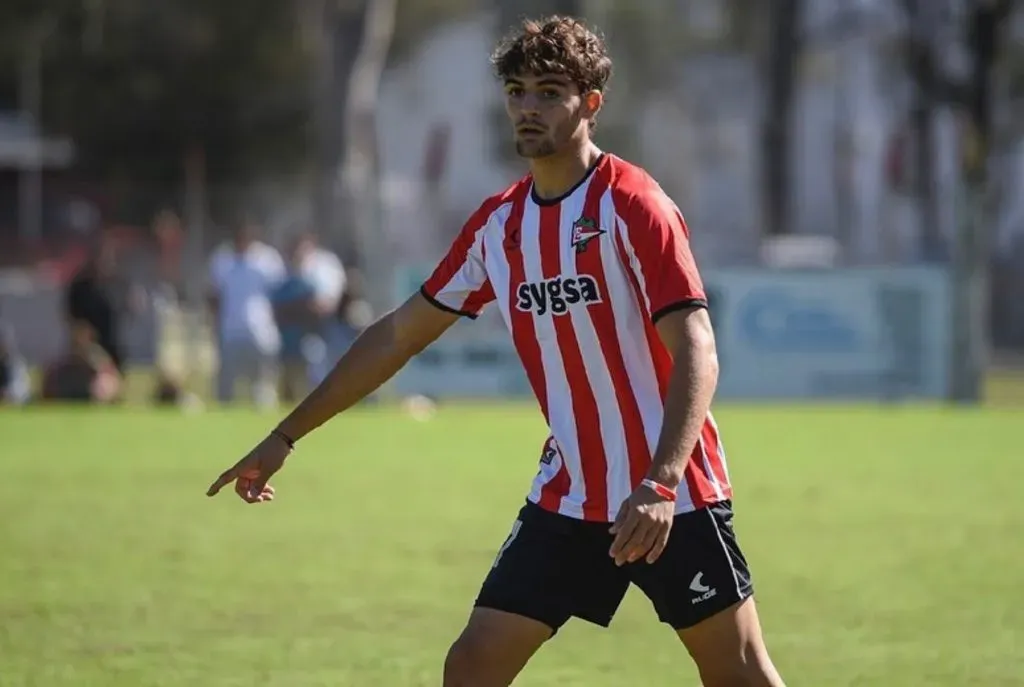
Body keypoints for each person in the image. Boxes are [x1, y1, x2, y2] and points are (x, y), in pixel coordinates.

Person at [206, 15, 785, 687]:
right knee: (474, 664)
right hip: (569, 497)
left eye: (548, 91)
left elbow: (698, 351)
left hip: (670, 495)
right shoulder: (499, 226)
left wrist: (659, 482)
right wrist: (285, 435)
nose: (527, 107)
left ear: (590, 104)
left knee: (739, 673)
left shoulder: (634, 205)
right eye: (516, 91)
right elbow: (397, 335)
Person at [207, 217, 286, 408]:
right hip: (231, 329)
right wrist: (214, 324)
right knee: (227, 382)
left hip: (262, 330)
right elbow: (214, 296)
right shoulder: (222, 259)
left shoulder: (268, 259)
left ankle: (266, 422)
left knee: (263, 381)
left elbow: (279, 294)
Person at [270, 232, 346, 402]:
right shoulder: (284, 279)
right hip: (289, 338)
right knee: (288, 380)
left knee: (316, 376)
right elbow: (277, 308)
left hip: (313, 335)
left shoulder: (317, 275)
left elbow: (323, 306)